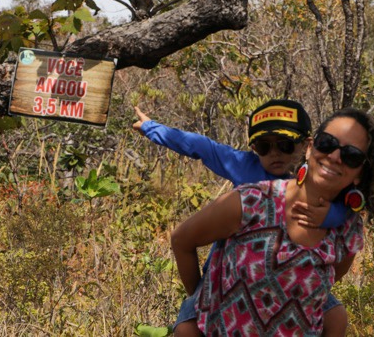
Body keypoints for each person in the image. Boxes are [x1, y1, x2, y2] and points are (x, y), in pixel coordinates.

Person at [132, 99, 351, 335]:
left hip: (296, 278)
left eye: (285, 144)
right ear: (254, 149)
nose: (274, 153)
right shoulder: (246, 167)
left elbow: (345, 226)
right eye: (263, 147)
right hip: (230, 277)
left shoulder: (320, 182)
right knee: (187, 330)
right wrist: (151, 128)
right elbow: (202, 146)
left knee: (336, 317)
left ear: (307, 145)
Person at [170, 107, 374, 336]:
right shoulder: (250, 201)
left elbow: (329, 283)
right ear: (310, 148)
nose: (335, 157)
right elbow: (181, 239)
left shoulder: (347, 228)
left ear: (360, 173)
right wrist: (200, 299)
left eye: (352, 155)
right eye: (327, 143)